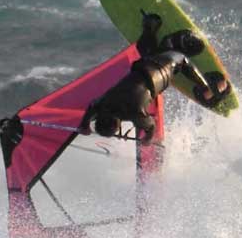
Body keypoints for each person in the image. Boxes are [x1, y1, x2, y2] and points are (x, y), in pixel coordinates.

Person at [80, 13, 229, 144]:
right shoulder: (104, 104)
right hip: (144, 65)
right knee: (148, 49)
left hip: (167, 66)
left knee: (182, 58)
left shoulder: (135, 113)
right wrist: (84, 125)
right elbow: (92, 108)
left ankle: (214, 87)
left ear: (118, 124)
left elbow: (150, 127)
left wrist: (147, 139)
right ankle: (150, 25)